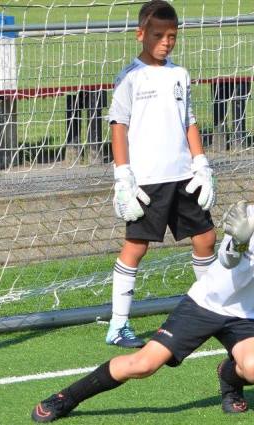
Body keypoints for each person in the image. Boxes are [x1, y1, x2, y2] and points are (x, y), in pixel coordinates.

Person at [30, 152, 254, 422]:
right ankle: (67, 397)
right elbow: (227, 260)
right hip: (204, 305)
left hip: (248, 316)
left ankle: (229, 377)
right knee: (143, 365)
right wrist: (239, 241)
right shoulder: (246, 217)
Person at [106, 0, 217, 348]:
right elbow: (118, 126)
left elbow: (189, 121)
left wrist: (201, 163)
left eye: (172, 36)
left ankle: (212, 310)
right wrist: (123, 175)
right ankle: (118, 324)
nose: (166, 42)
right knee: (136, 248)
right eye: (158, 35)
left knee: (206, 239)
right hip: (148, 181)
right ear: (140, 34)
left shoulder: (180, 74)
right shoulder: (129, 77)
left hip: (184, 176)